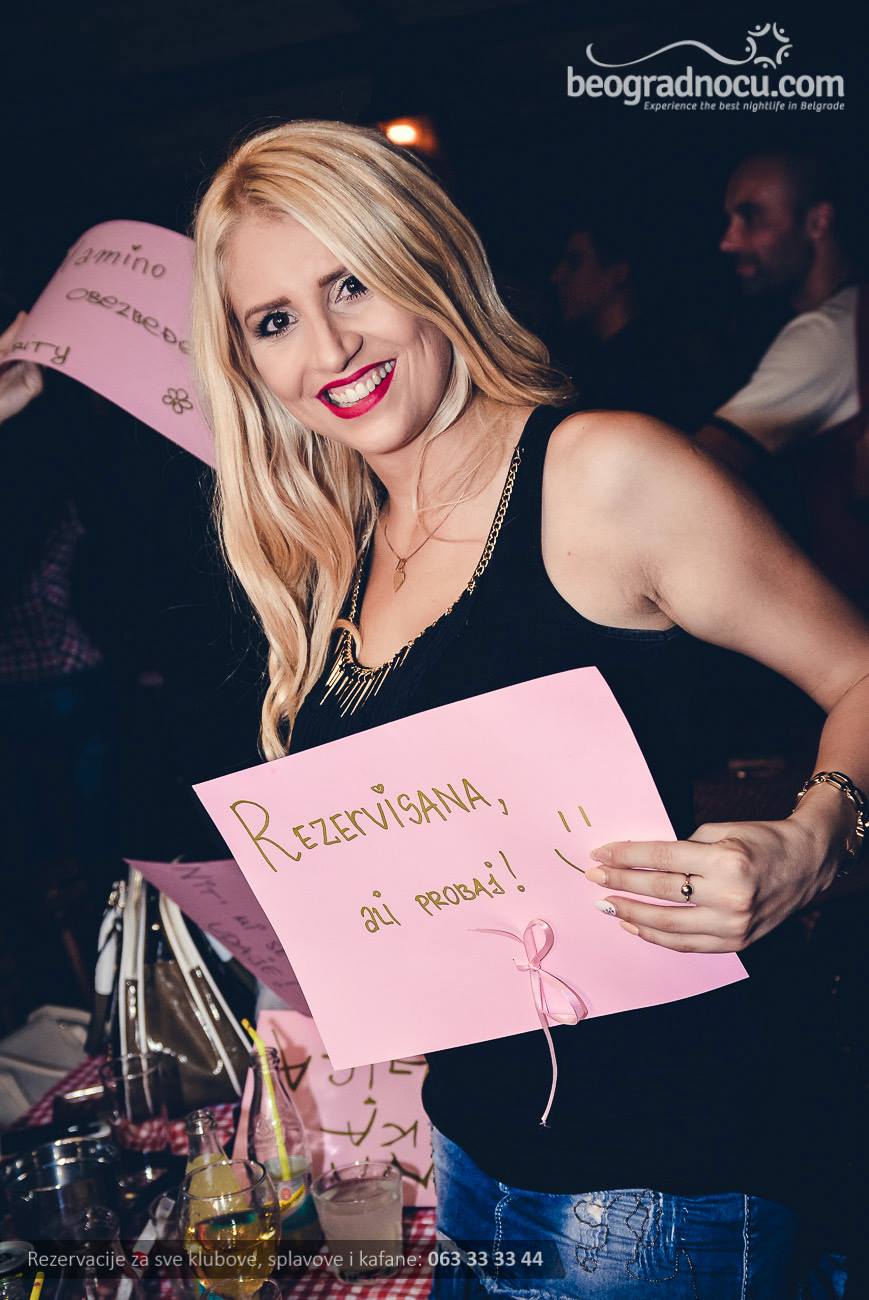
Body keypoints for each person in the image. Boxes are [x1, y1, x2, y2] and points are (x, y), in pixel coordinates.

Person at [191, 121, 869, 1296]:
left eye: (351, 281)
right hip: (471, 1147)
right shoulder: (337, 548)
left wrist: (810, 840)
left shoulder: (600, 474)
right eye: (274, 319)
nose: (329, 345)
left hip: (658, 1174)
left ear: (428, 263)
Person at [697, 149, 869, 604]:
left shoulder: (828, 333)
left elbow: (705, 460)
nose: (728, 241)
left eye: (751, 217)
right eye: (729, 220)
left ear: (817, 221)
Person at [549, 206, 726, 431]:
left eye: (574, 263)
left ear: (617, 273)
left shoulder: (649, 369)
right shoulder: (595, 361)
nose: (557, 276)